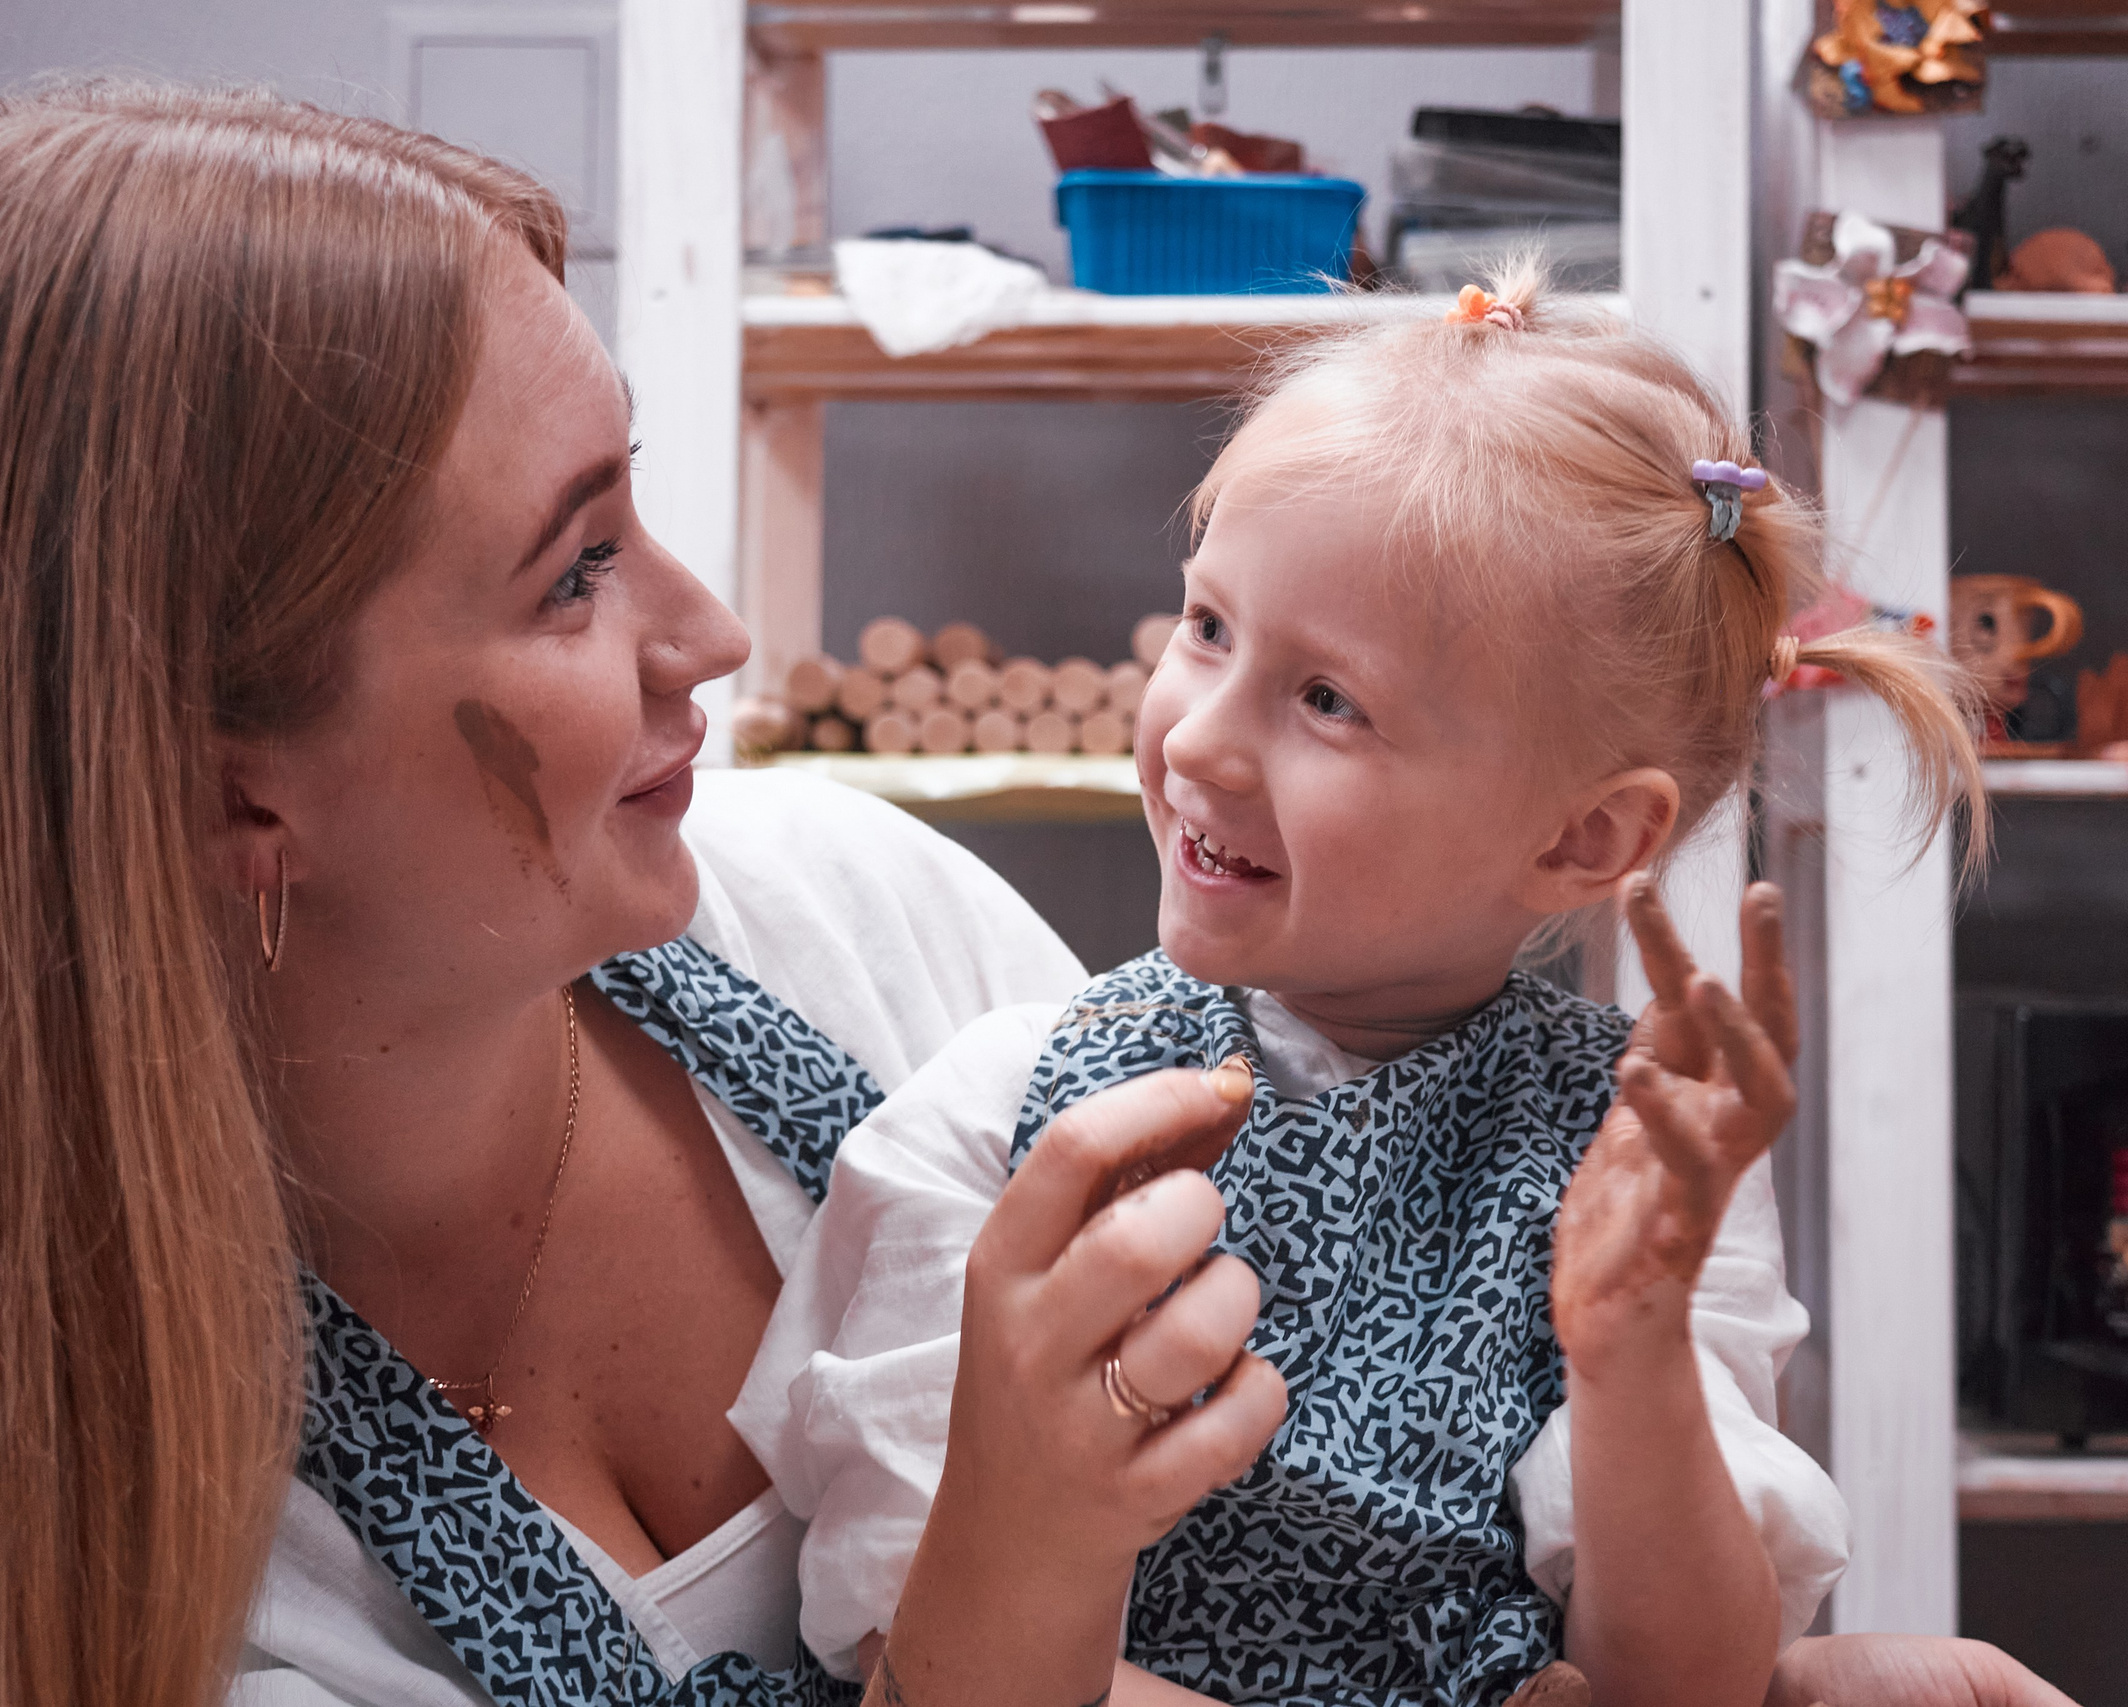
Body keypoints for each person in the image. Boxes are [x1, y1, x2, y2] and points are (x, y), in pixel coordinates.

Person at [0, 80, 1280, 1707]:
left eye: (633, 503)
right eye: (575, 571)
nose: (710, 636)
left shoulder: (861, 914)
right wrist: (1007, 1582)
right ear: (228, 787)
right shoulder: (164, 1579)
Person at [745, 264, 1987, 1707]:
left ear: (1585, 837)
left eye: (1328, 700)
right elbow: (911, 1637)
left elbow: (1685, 1682)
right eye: (1206, 627)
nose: (1199, 742)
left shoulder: (1638, 1161)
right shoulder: (1008, 1111)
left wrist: (1632, 1347)